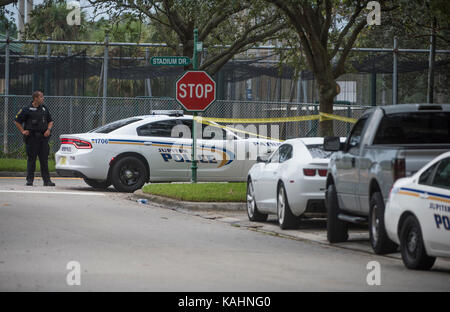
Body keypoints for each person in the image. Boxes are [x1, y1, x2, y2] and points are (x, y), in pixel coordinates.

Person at [14, 91, 55, 186]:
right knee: (31, 160)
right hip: (31, 138)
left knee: (44, 160)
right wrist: (23, 131)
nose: (43, 98)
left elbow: (50, 121)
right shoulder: (26, 109)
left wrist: (48, 129)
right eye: (41, 97)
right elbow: (16, 121)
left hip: (43, 139)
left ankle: (47, 181)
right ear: (35, 98)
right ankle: (29, 180)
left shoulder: (45, 108)